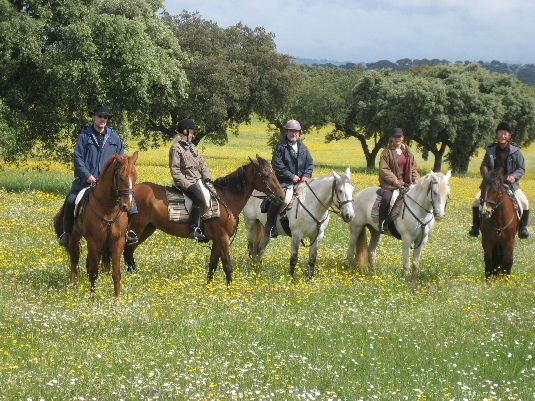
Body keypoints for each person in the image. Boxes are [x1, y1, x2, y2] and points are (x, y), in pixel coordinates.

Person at [58, 105, 138, 246]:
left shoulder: (114, 138)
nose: (102, 119)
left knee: (133, 205)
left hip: (108, 184)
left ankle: (128, 232)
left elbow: (121, 160)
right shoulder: (84, 136)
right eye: (100, 116)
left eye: (105, 117)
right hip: (85, 181)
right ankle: (66, 232)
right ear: (93, 117)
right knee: (70, 201)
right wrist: (88, 176)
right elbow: (78, 159)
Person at [469, 122, 530, 239]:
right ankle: (475, 227)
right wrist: (487, 176)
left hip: (510, 184)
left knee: (525, 202)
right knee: (476, 200)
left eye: (505, 134)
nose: (503, 136)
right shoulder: (490, 151)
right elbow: (483, 166)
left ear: (509, 136)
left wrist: (514, 176)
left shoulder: (515, 151)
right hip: (492, 185)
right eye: (500, 133)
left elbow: (521, 168)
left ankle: (523, 228)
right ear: (497, 135)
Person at [265, 119, 314, 238]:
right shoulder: (280, 147)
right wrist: (291, 176)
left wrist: (306, 175)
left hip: (302, 181)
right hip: (284, 181)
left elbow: (310, 163)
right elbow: (277, 165)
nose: (294, 134)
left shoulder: (303, 147)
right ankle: (270, 224)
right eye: (291, 131)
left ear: (299, 133)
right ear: (286, 132)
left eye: (296, 132)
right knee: (279, 198)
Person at [169, 118, 212, 240]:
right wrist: (187, 184)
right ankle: (193, 229)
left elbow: (202, 163)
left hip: (197, 180)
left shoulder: (192, 147)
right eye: (192, 132)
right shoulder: (176, 148)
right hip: (184, 181)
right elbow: (175, 171)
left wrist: (207, 177)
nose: (193, 135)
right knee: (198, 198)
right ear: (185, 132)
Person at [378, 128, 419, 234]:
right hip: (390, 184)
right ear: (392, 138)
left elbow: (413, 167)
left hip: (406, 183)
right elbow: (384, 169)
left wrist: (415, 178)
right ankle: (382, 221)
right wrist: (393, 180)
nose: (397, 139)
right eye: (395, 136)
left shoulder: (407, 152)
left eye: (399, 136)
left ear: (402, 138)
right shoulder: (386, 152)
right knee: (387, 198)